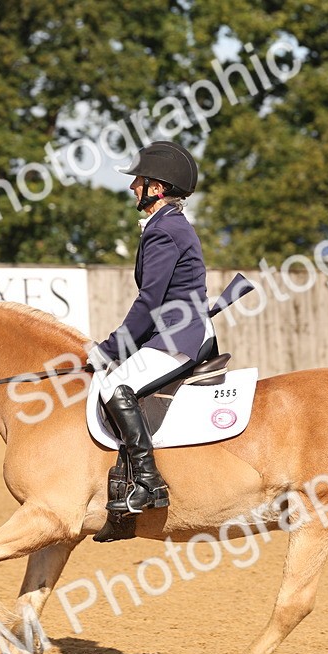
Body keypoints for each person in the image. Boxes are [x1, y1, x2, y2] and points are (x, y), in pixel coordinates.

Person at [86, 141, 215, 515]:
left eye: (138, 181)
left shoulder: (164, 230)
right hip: (172, 333)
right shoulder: (167, 225)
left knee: (114, 385)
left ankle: (148, 482)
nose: (132, 187)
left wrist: (110, 349)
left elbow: (149, 302)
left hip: (180, 336)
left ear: (156, 188)